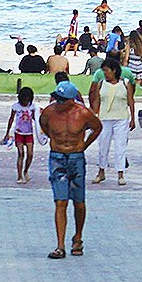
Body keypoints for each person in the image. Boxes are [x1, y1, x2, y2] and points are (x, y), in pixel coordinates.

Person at [39, 81, 101, 259]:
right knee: (60, 201)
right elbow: (44, 125)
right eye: (56, 99)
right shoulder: (49, 112)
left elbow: (97, 127)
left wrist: (84, 145)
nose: (58, 103)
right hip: (58, 158)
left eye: (62, 100)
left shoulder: (82, 113)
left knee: (79, 202)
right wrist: (55, 140)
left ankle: (78, 237)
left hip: (76, 158)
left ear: (71, 100)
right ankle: (60, 245)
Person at [87, 58, 137, 186]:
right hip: (104, 118)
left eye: (106, 70)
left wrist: (132, 118)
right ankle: (101, 171)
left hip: (121, 118)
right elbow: (97, 100)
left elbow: (131, 101)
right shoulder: (101, 83)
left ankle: (120, 173)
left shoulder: (125, 83)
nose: (105, 73)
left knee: (120, 146)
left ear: (114, 71)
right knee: (103, 146)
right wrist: (94, 116)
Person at [4, 84, 40, 184]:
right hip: (19, 133)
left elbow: (35, 119)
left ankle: (26, 171)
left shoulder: (32, 106)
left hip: (29, 133)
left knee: (30, 154)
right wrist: (7, 133)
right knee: (21, 154)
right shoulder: (16, 106)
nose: (25, 102)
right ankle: (19, 176)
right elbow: (11, 119)